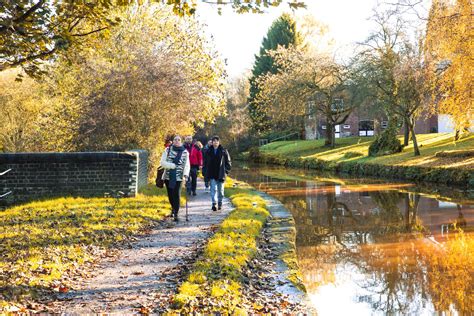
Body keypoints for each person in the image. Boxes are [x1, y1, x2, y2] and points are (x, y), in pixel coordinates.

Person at [160, 135, 190, 222]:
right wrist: (171, 165)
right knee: (170, 195)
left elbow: (187, 165)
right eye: (175, 140)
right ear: (173, 141)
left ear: (181, 141)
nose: (177, 141)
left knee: (176, 194)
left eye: (179, 140)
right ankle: (173, 209)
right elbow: (162, 162)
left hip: (179, 177)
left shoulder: (185, 152)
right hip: (168, 177)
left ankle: (176, 213)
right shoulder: (167, 150)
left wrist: (185, 175)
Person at [204, 136, 231, 211]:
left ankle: (220, 202)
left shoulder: (223, 151)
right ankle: (214, 203)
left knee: (221, 190)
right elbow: (205, 163)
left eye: (217, 141)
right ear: (212, 142)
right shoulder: (208, 151)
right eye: (214, 141)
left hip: (221, 174)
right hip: (212, 173)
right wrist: (205, 172)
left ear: (219, 142)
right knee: (213, 189)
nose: (215, 142)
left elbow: (228, 162)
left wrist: (226, 172)